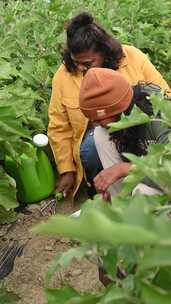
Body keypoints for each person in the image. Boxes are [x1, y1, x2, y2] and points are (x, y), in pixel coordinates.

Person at [48, 11, 170, 199]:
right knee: (96, 138)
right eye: (76, 63)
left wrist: (124, 168)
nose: (81, 69)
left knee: (142, 192)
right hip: (113, 135)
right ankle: (113, 193)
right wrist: (66, 169)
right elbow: (59, 125)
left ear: (103, 52)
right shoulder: (63, 76)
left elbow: (163, 97)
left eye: (87, 63)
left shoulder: (133, 60)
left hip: (140, 129)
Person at [79, 67, 171, 200]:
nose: (96, 123)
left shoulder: (159, 118)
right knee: (100, 134)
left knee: (143, 192)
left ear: (118, 109)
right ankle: (120, 201)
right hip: (150, 174)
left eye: (99, 119)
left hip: (165, 181)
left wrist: (124, 169)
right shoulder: (121, 122)